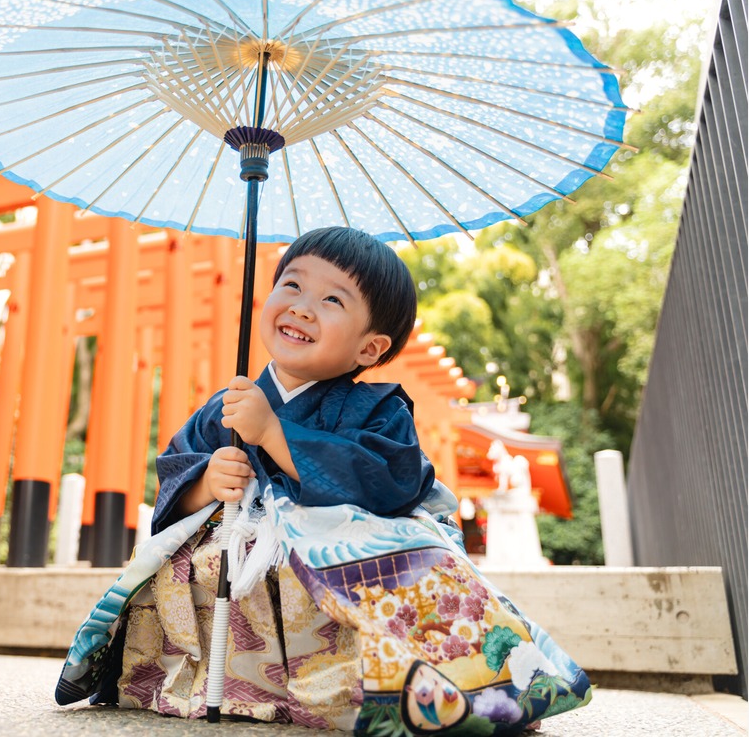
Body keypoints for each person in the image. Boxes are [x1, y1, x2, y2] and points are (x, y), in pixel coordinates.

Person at [56, 227, 590, 736]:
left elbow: (389, 481)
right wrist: (205, 482)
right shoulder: (227, 406)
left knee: (388, 559)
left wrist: (272, 433)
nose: (302, 306)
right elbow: (176, 471)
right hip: (234, 565)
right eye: (291, 285)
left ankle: (352, 692)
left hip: (325, 573)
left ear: (369, 349)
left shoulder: (377, 408)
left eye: (333, 300)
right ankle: (228, 686)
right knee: (190, 556)